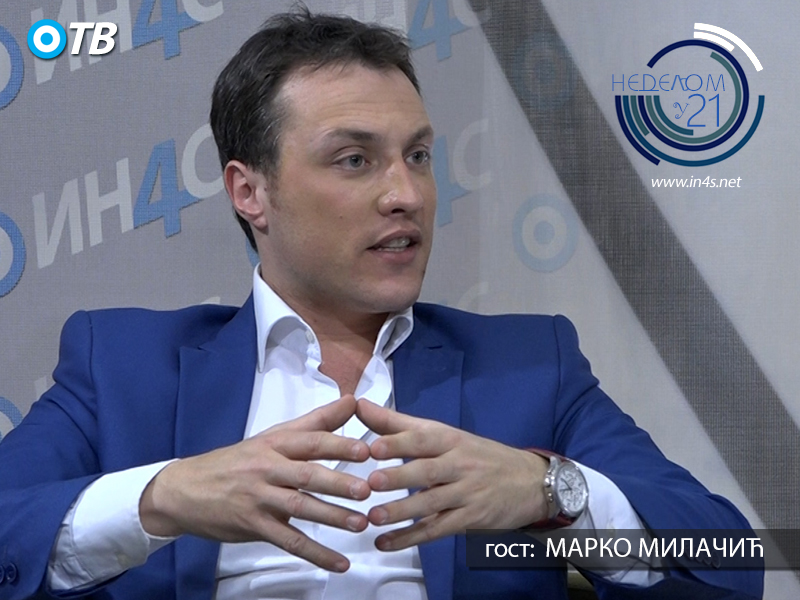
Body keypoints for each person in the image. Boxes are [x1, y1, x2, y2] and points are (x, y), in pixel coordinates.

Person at [0, 9, 762, 600]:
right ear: (250, 192)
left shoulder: (530, 366)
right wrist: (161, 498)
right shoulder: (123, 366)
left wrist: (550, 491)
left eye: (418, 156)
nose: (407, 194)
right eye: (355, 159)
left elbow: (727, 563)